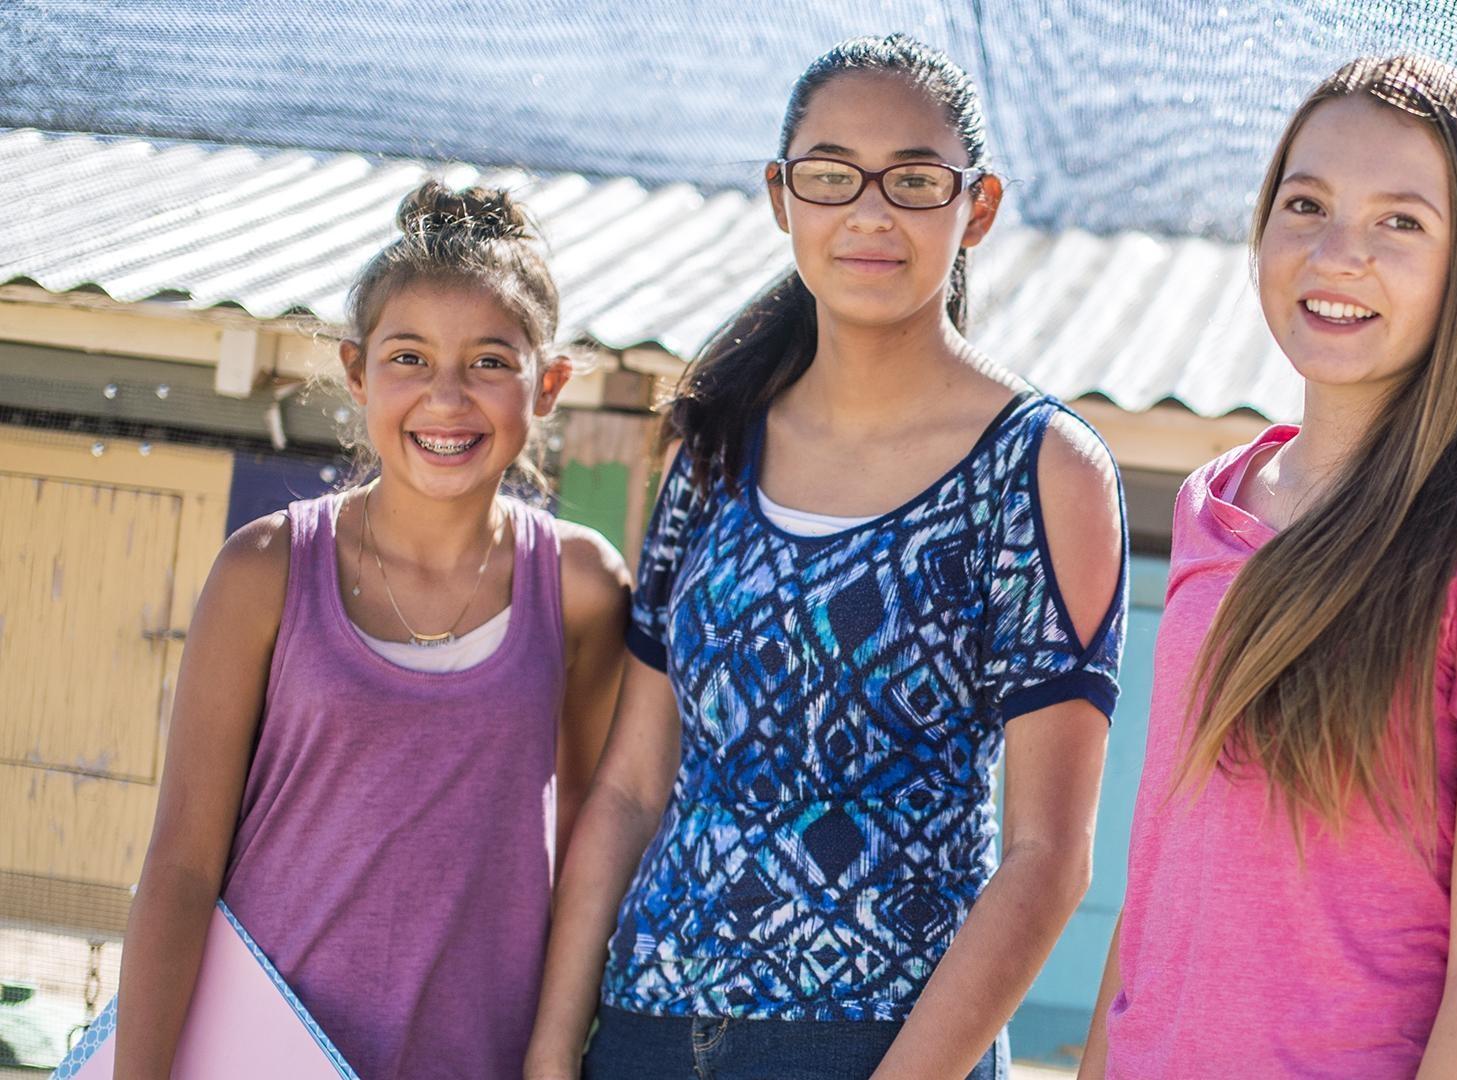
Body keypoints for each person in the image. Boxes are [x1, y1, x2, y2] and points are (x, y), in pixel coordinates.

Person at [524, 33, 1128, 1080]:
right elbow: (629, 788)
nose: (870, 211)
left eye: (914, 181)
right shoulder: (714, 445)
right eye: (833, 176)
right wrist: (548, 1052)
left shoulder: (1043, 469)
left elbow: (1049, 857)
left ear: (974, 208)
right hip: (646, 1036)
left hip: (877, 1046)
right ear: (782, 196)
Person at [1080, 55, 1457, 1079]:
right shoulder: (1213, 503)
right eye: (1306, 204)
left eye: (1400, 223)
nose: (1338, 253)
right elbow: (1156, 898)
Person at [113, 181, 632, 1080]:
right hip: (256, 1052)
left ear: (547, 385)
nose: (446, 398)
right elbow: (183, 864)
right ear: (356, 373)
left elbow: (589, 847)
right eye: (408, 358)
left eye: (489, 363)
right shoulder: (266, 568)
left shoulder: (581, 588)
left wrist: (553, 1055)